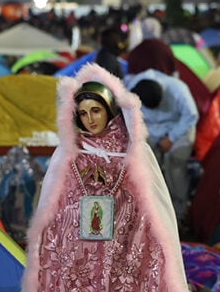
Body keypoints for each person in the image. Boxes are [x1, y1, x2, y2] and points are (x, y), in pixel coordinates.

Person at [22, 63, 188, 292]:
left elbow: (153, 205)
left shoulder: (133, 149)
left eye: (96, 110)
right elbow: (53, 202)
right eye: (83, 112)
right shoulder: (69, 149)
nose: (90, 119)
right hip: (77, 246)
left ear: (109, 109)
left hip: (125, 243)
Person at [125, 69, 199, 222]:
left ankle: (179, 213)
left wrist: (171, 138)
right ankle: (151, 211)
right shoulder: (132, 90)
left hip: (179, 127)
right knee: (146, 164)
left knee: (176, 162)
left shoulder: (179, 90)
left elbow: (191, 116)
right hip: (150, 130)